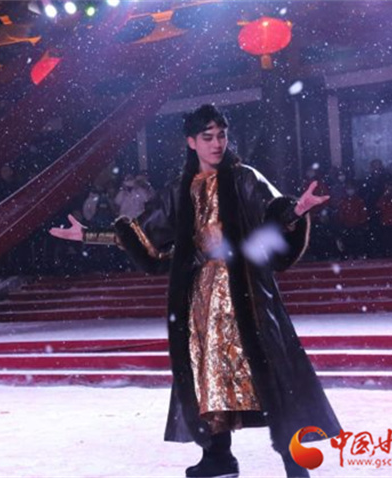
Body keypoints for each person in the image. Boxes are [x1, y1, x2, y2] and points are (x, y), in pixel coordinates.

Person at [51, 105, 340, 478]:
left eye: (221, 135)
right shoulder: (180, 191)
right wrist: (90, 235)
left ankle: (293, 461)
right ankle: (218, 458)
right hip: (201, 300)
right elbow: (144, 235)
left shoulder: (245, 178)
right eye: (208, 137)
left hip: (247, 293)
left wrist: (296, 210)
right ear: (191, 142)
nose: (217, 143)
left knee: (271, 372)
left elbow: (273, 212)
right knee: (207, 374)